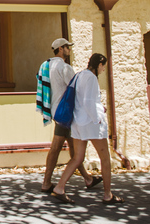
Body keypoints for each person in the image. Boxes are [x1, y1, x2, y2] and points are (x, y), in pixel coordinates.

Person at [51, 53, 125, 205]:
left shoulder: (79, 75)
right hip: (91, 123)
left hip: (77, 122)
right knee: (105, 158)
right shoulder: (91, 78)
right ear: (99, 65)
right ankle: (107, 194)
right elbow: (88, 101)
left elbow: (81, 99)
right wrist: (98, 117)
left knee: (77, 157)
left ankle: (59, 187)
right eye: (103, 66)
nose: (103, 70)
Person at [37, 38, 101, 194]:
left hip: (55, 111)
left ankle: (88, 179)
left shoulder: (46, 66)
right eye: (67, 47)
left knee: (74, 148)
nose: (69, 50)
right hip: (65, 113)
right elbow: (75, 88)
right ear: (60, 49)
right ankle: (48, 183)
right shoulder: (64, 68)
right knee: (58, 147)